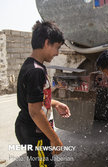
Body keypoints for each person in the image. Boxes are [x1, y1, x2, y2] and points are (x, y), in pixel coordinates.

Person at [15, 20, 71, 167]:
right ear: (47, 43)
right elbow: (35, 111)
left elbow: (36, 100)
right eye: (57, 47)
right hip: (35, 132)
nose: (57, 53)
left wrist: (56, 103)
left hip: (35, 129)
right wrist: (55, 139)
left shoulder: (35, 66)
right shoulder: (35, 71)